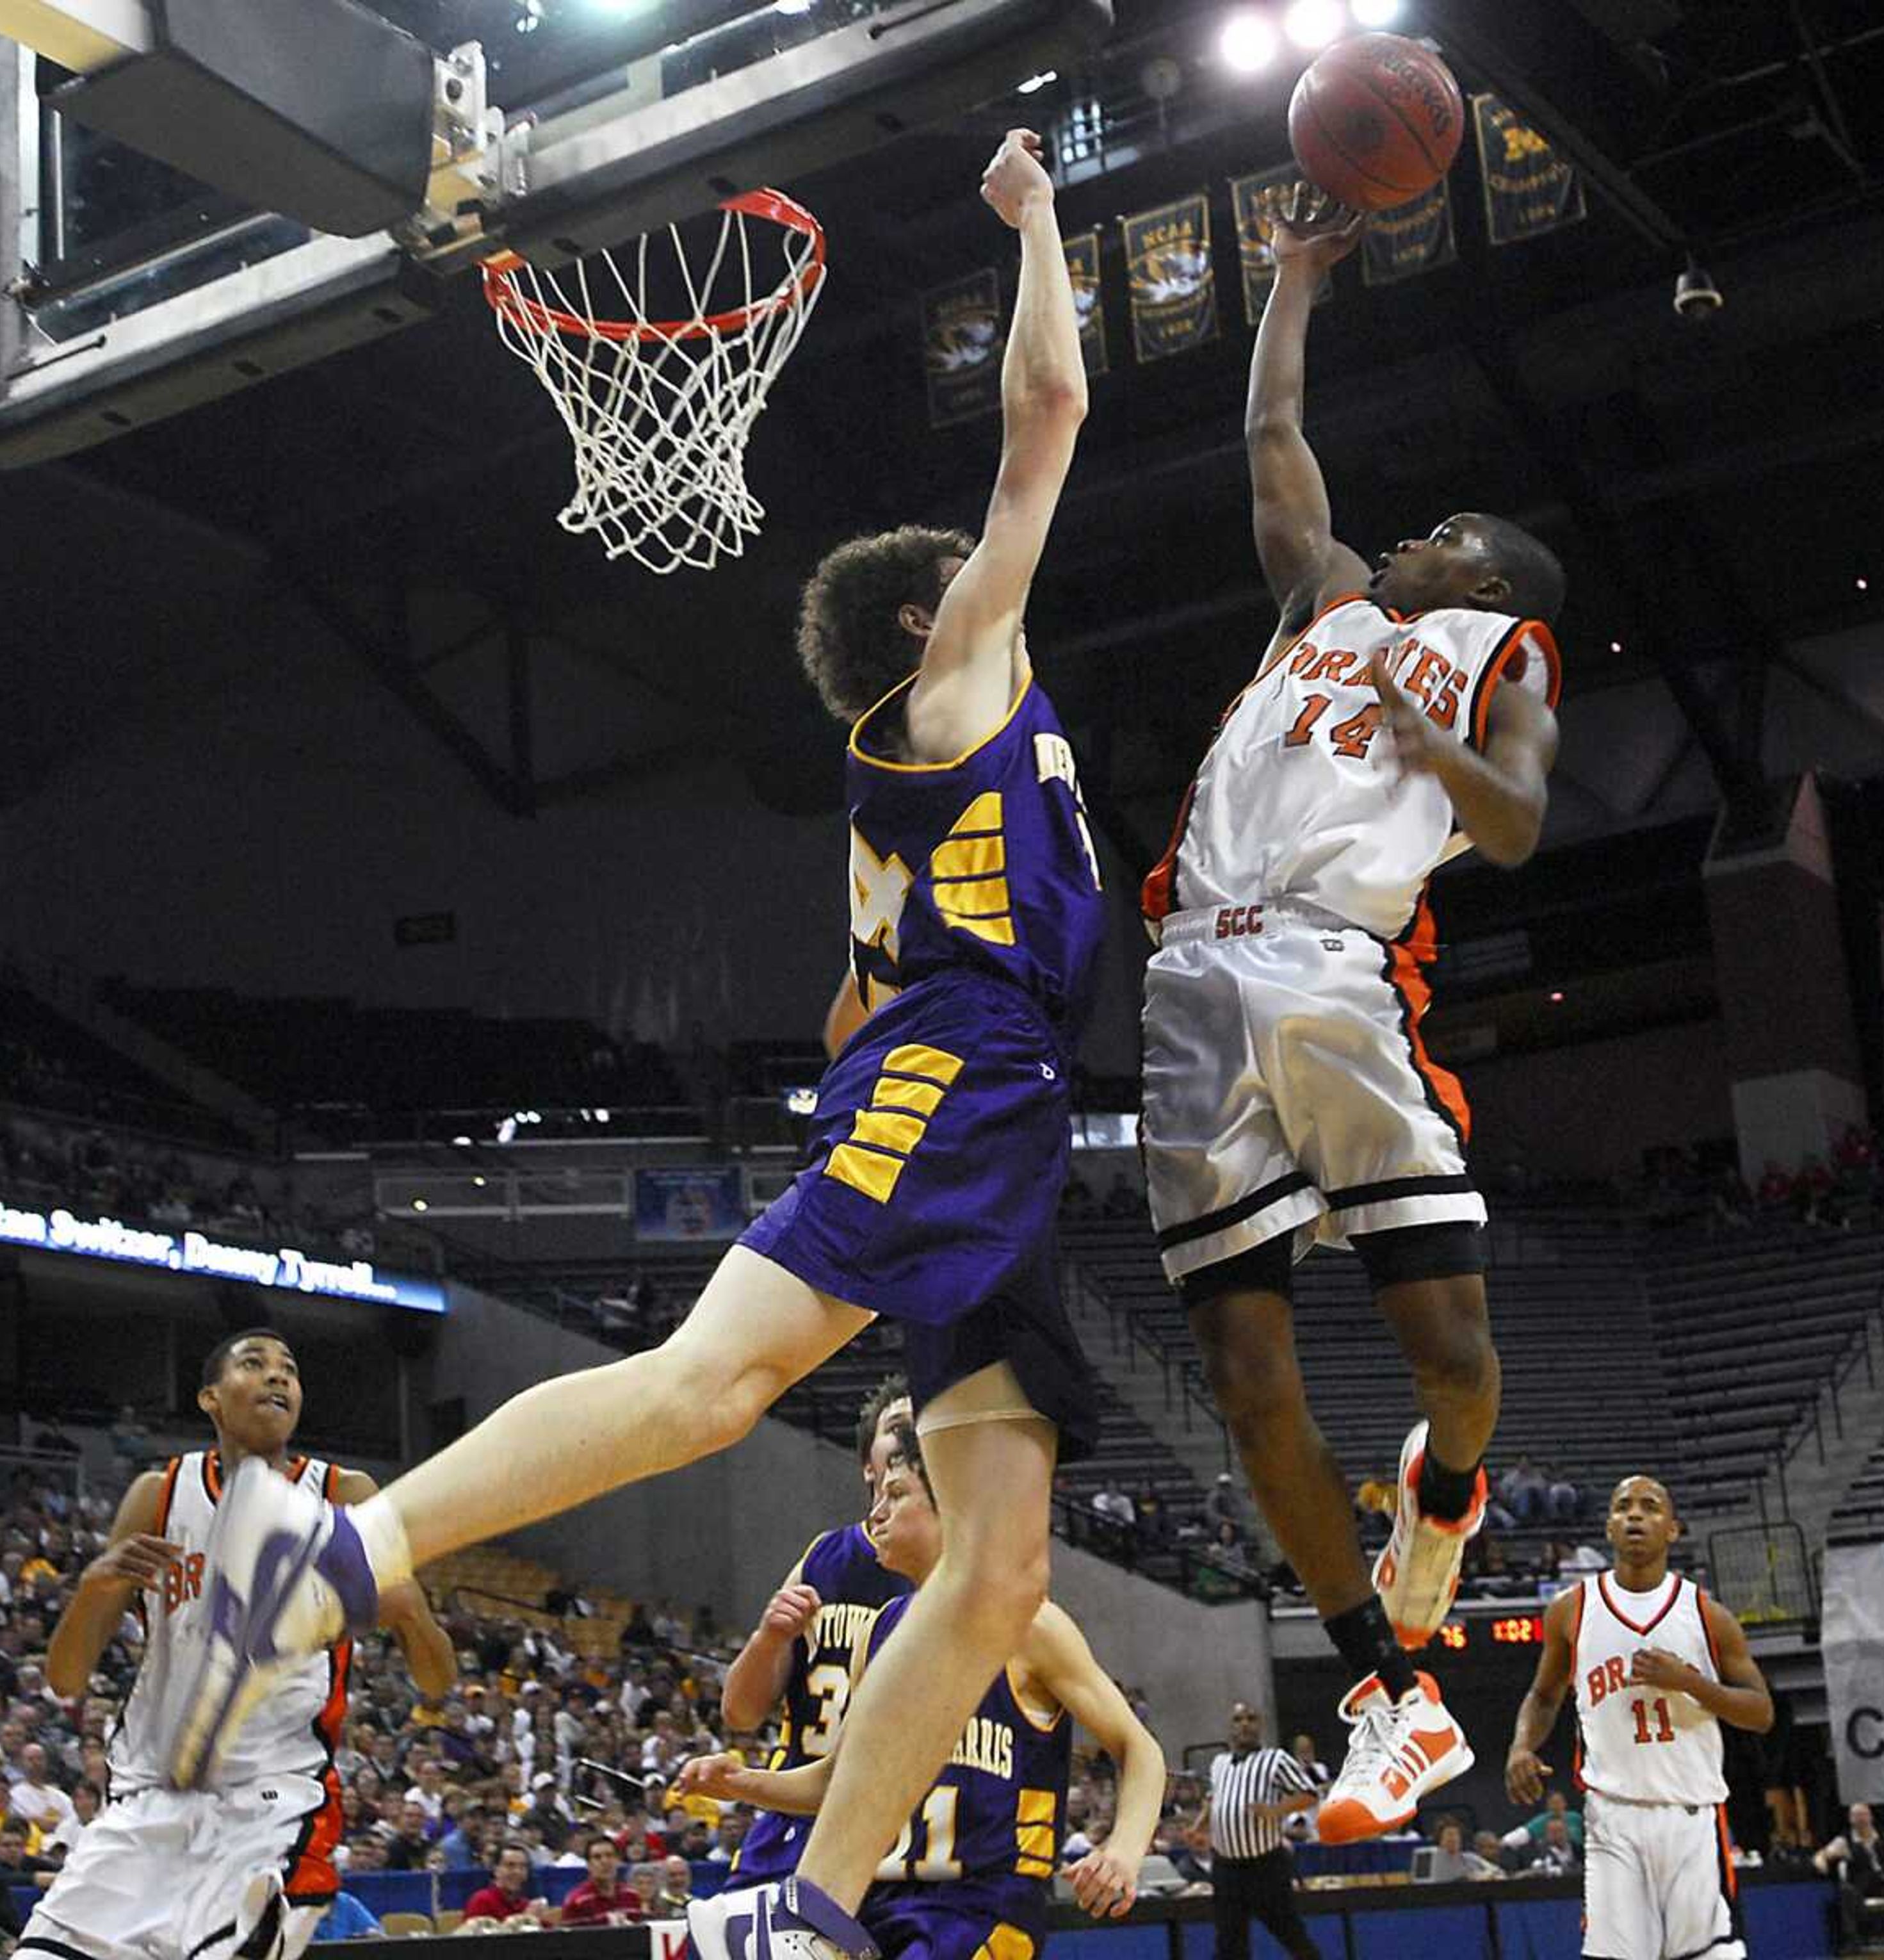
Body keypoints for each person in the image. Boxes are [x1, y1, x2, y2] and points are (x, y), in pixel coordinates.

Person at [170, 126, 1108, 1960]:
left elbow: (852, 999)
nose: (1012, 587)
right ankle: (352, 1551)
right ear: (930, 625)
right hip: (973, 1079)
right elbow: (1051, 407)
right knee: (707, 1387)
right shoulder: (958, 680)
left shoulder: (910, 792)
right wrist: (1038, 218)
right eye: (979, 583)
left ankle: (813, 1916)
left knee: (997, 1574)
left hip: (990, 1105)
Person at [1135, 186, 1564, 1843]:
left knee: (1453, 1360)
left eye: (1437, 529)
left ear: (1482, 569)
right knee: (1251, 1379)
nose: (1402, 536)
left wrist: (1415, 720)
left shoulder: (1499, 648)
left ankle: (1440, 1511)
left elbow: (1515, 825)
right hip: (1192, 979)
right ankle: (1393, 1695)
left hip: (1334, 968)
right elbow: (1273, 437)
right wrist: (1294, 279)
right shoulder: (1324, 598)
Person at [20, 1331, 457, 1960]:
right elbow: (65, 1681)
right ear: (211, 1399)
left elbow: (438, 1683)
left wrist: (413, 1613)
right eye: (255, 1364)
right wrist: (94, 1586)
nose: (278, 1378)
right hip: (151, 1799)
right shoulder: (160, 1495)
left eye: (290, 1370)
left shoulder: (343, 1495)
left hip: (272, 1803)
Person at [677, 1424, 1165, 1960]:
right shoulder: (885, 1627)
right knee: (721, 1940)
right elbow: (841, 1783)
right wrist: (743, 1783)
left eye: (896, 1494)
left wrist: (1123, 1850)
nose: (877, 1513)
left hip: (980, 1906)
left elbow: (1139, 1749)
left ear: (949, 1506)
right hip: (878, 1901)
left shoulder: (1030, 1623)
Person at [1504, 1476, 1773, 1960]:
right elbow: (1544, 1697)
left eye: (1650, 1507)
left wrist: (1691, 1683)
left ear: (1672, 1529)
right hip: (1613, 1816)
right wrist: (1521, 1747)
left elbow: (1761, 1713)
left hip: (1690, 1815)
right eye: (1623, 1507)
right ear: (1608, 1526)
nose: (1634, 1515)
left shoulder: (1707, 1615)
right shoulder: (1571, 1610)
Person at [720, 1380, 914, 1891]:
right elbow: (740, 1713)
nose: (912, 1438)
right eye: (898, 1428)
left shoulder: (966, 1571)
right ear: (869, 1466)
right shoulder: (824, 1558)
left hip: (906, 1824)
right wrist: (769, 1638)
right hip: (799, 1813)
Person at [1190, 1703, 1320, 1960]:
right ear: (1231, 1728)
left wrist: (1275, 1811)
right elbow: (1214, 1798)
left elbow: (1309, 1795)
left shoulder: (1276, 1759)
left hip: (1265, 1866)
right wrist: (1199, 1825)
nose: (1245, 1724)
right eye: (1238, 1719)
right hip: (1226, 1868)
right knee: (1229, 1943)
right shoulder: (1220, 1763)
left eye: (1251, 1718)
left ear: (1260, 1725)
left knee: (1290, 1933)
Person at [1814, 1803, 1884, 1951]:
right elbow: (1822, 1855)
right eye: (1857, 1816)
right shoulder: (1845, 1840)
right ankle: (1853, 1941)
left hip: (1883, 1882)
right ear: (1851, 1820)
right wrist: (1821, 1862)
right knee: (1845, 1892)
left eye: (1864, 1815)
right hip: (1859, 1885)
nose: (1861, 1819)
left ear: (1871, 1817)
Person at [556, 1839, 644, 1929]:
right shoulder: (577, 1901)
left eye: (609, 1856)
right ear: (589, 1865)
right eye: (597, 1857)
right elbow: (571, 1940)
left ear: (618, 1861)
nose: (605, 1861)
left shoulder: (631, 1895)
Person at [460, 1847, 547, 1929]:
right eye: (510, 1866)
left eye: (523, 1867)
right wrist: (524, 1921)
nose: (517, 1872)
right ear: (496, 1870)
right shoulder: (481, 1901)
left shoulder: (526, 1905)